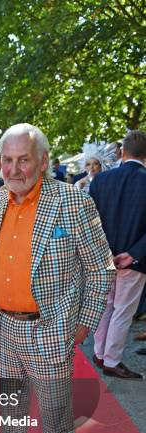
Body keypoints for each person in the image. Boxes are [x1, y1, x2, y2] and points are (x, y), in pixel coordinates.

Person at [0, 123, 114, 433]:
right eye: (7, 159)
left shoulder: (71, 203)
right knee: (12, 407)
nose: (14, 169)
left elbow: (101, 269)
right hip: (3, 326)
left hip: (51, 330)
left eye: (24, 160)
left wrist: (83, 324)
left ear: (43, 161)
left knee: (55, 416)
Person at [90, 130, 146, 379]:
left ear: (122, 152)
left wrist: (102, 252)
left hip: (106, 257)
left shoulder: (101, 181)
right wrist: (133, 254)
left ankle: (101, 354)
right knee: (122, 310)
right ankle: (110, 359)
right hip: (134, 259)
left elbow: (89, 222)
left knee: (108, 307)